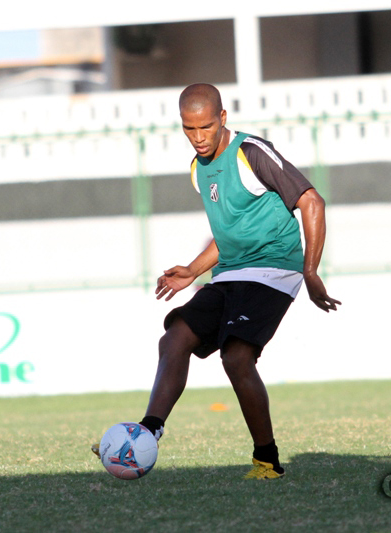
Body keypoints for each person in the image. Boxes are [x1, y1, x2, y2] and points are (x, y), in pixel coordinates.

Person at [94, 83, 340, 479]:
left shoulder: (250, 152)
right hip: (231, 272)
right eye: (189, 129)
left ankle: (267, 460)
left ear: (222, 118)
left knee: (236, 356)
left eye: (206, 127)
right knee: (174, 338)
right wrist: (193, 270)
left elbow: (312, 201)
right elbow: (229, 235)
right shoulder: (198, 169)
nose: (198, 137)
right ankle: (148, 432)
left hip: (274, 269)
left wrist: (311, 271)